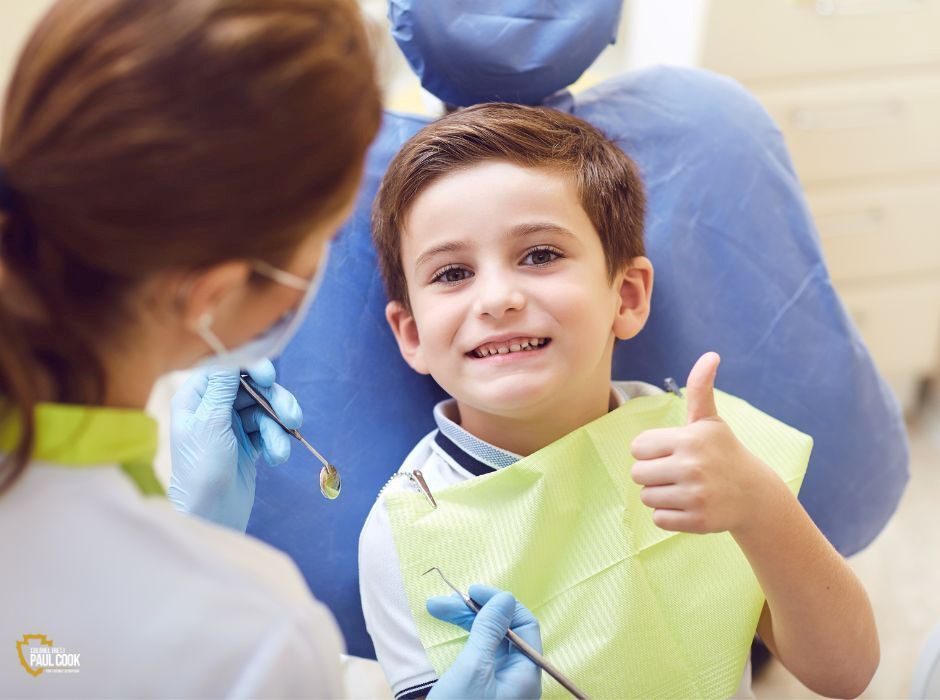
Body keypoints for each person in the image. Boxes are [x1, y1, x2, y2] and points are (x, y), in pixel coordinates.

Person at [0, 1, 542, 696]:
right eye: (326, 238)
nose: (498, 300)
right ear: (212, 295)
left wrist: (185, 535)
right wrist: (195, 564)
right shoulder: (254, 636)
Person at [359, 103, 880, 699]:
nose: (498, 298)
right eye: (452, 273)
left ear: (627, 296)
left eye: (540, 255)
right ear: (412, 335)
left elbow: (847, 672)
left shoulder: (706, 451)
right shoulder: (406, 535)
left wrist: (761, 507)